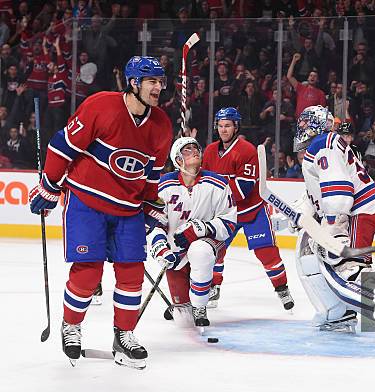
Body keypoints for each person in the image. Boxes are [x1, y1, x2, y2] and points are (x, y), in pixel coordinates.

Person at [28, 56, 173, 370]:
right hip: (87, 202)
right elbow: (62, 146)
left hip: (128, 209)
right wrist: (49, 185)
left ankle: (125, 334)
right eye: (152, 81)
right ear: (133, 83)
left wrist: (150, 205)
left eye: (160, 81)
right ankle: (71, 326)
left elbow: (152, 175)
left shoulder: (161, 124)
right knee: (89, 271)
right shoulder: (101, 106)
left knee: (132, 274)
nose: (158, 87)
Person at [293, 106, 375, 332]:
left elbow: (338, 188)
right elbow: (316, 193)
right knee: (322, 262)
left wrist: (334, 226)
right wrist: (299, 215)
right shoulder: (322, 146)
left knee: (347, 269)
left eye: (306, 122)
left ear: (316, 123)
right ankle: (340, 315)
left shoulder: (323, 144)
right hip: (356, 211)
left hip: (356, 212)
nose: (301, 126)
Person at [201, 108, 295, 311]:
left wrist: (214, 199)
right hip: (226, 214)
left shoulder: (246, 150)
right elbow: (204, 182)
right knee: (214, 251)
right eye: (220, 125)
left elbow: (243, 189)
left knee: (267, 253)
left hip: (252, 211)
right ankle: (213, 288)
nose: (223, 129)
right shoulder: (209, 151)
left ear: (236, 127)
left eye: (227, 125)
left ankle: (282, 289)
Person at [151, 137, 237, 331]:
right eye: (187, 150)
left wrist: (200, 228)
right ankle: (181, 307)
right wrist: (161, 249)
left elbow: (229, 222)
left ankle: (200, 306)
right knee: (185, 323)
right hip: (176, 251)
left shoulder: (218, 183)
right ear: (178, 160)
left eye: (196, 148)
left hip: (208, 243)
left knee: (200, 252)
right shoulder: (163, 185)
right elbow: (154, 223)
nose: (195, 151)